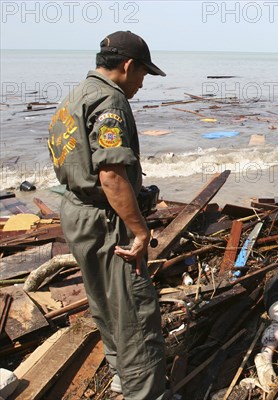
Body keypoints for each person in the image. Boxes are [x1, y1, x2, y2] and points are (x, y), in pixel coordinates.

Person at [47, 31, 168, 399]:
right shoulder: (110, 101)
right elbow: (112, 175)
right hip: (105, 218)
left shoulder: (77, 94)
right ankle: (143, 392)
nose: (141, 85)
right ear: (128, 65)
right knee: (134, 310)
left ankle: (120, 374)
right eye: (143, 76)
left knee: (103, 300)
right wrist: (140, 230)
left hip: (76, 211)